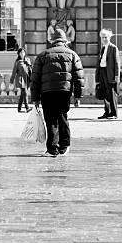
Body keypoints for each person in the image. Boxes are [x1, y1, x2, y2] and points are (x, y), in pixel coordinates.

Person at [31, 29, 84, 157]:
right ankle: (64, 146)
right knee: (62, 117)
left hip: (47, 92)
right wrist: (78, 96)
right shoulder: (72, 55)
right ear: (65, 41)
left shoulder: (42, 55)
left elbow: (35, 78)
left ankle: (52, 148)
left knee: (50, 120)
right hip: (64, 92)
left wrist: (35, 98)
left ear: (52, 41)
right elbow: (79, 77)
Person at [96, 28, 121, 120]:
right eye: (102, 38)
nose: (104, 39)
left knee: (112, 93)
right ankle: (107, 112)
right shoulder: (102, 48)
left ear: (109, 37)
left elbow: (117, 63)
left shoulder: (113, 48)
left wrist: (116, 77)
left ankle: (114, 113)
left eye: (105, 37)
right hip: (102, 72)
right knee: (104, 93)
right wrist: (97, 77)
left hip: (110, 73)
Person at [10, 48, 32, 113]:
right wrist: (11, 81)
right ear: (19, 54)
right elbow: (14, 71)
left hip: (27, 79)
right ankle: (27, 107)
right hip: (21, 79)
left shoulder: (28, 60)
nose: (22, 54)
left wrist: (29, 64)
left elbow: (30, 69)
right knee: (25, 93)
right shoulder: (17, 62)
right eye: (21, 53)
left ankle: (19, 108)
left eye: (23, 52)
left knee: (23, 94)